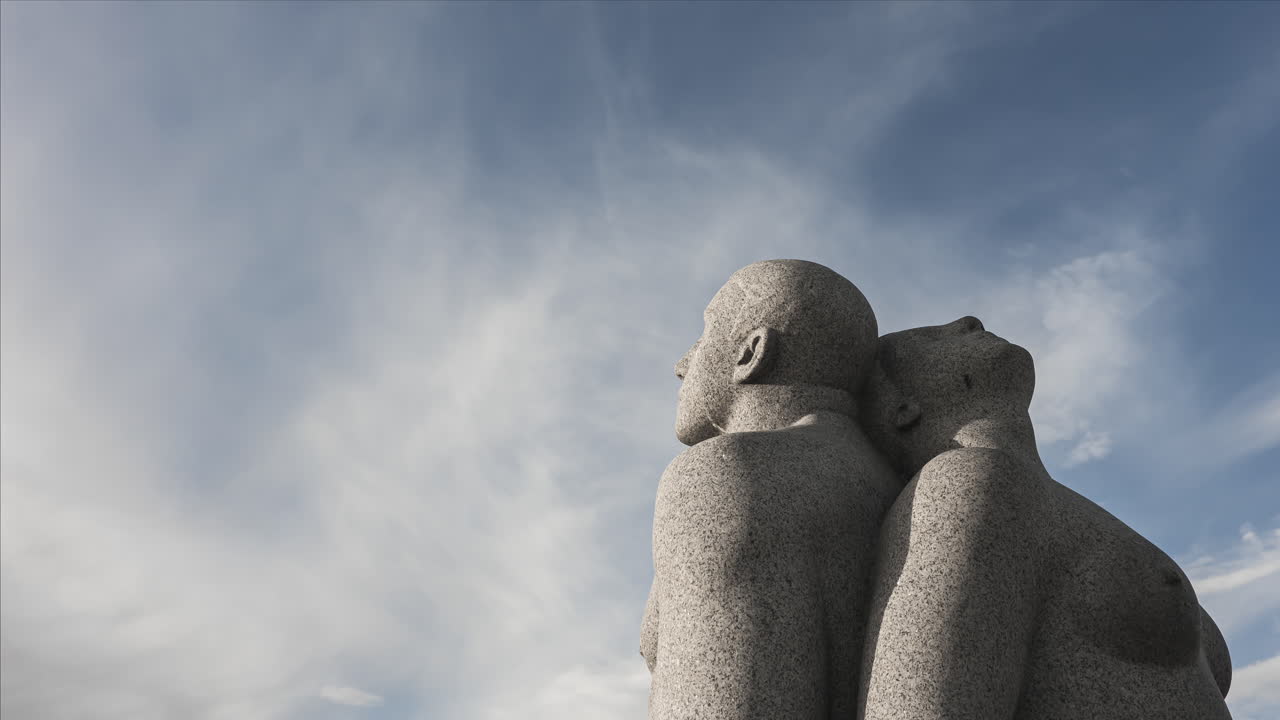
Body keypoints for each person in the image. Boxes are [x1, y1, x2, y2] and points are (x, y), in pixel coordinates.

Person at [855, 316, 1233, 720]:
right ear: (905, 409)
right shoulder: (965, 484)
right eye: (929, 338)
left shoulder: (1039, 498)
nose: (967, 321)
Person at [642, 260, 902, 719]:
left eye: (703, 337)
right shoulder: (893, 484)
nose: (682, 365)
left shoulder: (724, 474)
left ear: (751, 352)